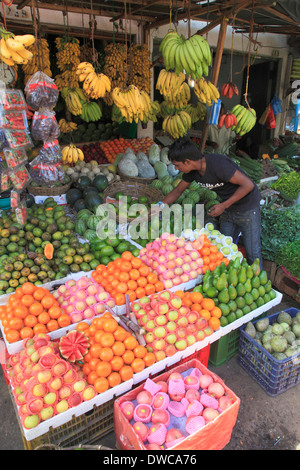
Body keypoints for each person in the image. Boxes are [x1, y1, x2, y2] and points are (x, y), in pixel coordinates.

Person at [154, 135, 263, 269]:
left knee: (253, 253)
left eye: (177, 165)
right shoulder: (192, 172)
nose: (176, 169)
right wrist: (159, 207)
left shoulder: (218, 164)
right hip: (228, 208)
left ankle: (260, 286)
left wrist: (223, 205)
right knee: (221, 250)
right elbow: (177, 191)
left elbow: (248, 185)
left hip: (247, 208)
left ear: (187, 161)